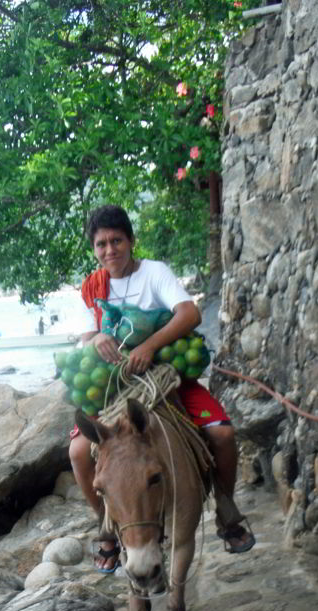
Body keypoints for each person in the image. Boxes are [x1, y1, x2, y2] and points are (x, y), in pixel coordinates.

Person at [69, 204, 255, 572]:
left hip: (164, 377)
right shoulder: (93, 286)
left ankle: (226, 505)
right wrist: (96, 340)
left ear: (131, 241)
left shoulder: (154, 273)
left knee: (221, 433)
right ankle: (105, 526)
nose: (110, 251)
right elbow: (84, 336)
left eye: (116, 241)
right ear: (94, 249)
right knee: (77, 452)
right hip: (113, 387)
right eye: (101, 244)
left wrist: (149, 346)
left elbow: (190, 314)